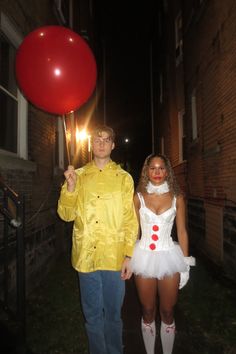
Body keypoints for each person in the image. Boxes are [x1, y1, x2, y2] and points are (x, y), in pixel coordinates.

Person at [57, 125, 138, 354]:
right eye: (97, 139)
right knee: (92, 316)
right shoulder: (78, 176)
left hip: (113, 258)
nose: (101, 143)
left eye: (107, 139)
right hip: (86, 257)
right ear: (92, 144)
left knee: (113, 315)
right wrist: (70, 188)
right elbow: (66, 215)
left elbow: (130, 220)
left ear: (113, 145)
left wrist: (128, 254)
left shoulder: (124, 179)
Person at [130, 153, 195, 354]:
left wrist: (185, 265)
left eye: (161, 168)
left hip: (169, 257)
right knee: (148, 311)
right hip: (143, 257)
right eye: (153, 168)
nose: (157, 172)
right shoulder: (138, 196)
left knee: (167, 312)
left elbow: (182, 231)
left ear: (167, 171)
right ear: (146, 171)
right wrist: (127, 257)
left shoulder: (178, 197)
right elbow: (133, 231)